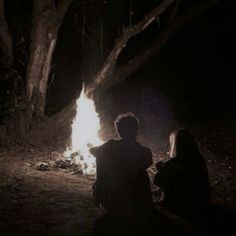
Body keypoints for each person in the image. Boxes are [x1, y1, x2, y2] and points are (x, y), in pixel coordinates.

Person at [90, 113, 154, 235]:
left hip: (113, 199)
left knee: (103, 159)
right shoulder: (144, 152)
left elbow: (93, 151)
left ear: (120, 130)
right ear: (135, 130)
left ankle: (103, 197)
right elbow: (147, 162)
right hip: (139, 200)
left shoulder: (111, 146)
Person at [154, 129, 210, 225]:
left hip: (182, 205)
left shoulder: (176, 162)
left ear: (175, 144)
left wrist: (160, 169)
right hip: (201, 201)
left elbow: (157, 181)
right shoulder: (198, 158)